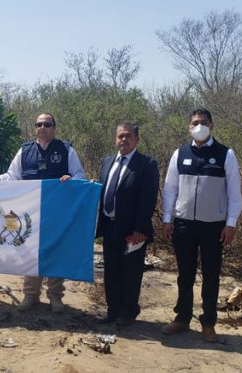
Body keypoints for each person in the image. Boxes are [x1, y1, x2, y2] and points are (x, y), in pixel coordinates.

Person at [0, 113, 86, 313]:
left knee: (55, 253)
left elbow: (80, 175)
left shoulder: (66, 150)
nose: (43, 127)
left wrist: (70, 178)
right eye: (39, 124)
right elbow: (12, 177)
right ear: (35, 128)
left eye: (47, 124)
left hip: (57, 213)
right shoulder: (24, 151)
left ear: (54, 128)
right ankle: (30, 296)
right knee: (29, 253)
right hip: (30, 214)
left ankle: (55, 297)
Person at [160, 108, 242, 342]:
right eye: (195, 123)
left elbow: (235, 195)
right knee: (184, 275)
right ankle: (182, 319)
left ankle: (208, 323)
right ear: (189, 127)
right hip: (184, 224)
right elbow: (170, 190)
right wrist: (167, 219)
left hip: (213, 226)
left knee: (211, 275)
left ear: (212, 125)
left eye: (204, 122)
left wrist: (231, 224)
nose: (199, 126)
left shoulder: (226, 154)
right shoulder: (180, 154)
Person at [95, 122, 159, 327]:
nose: (124, 139)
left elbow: (148, 199)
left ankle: (128, 312)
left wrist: (140, 229)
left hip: (132, 230)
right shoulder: (107, 162)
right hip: (109, 226)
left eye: (128, 136)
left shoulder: (147, 164)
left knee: (130, 272)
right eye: (120, 136)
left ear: (137, 140)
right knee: (111, 271)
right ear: (115, 139)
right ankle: (112, 310)